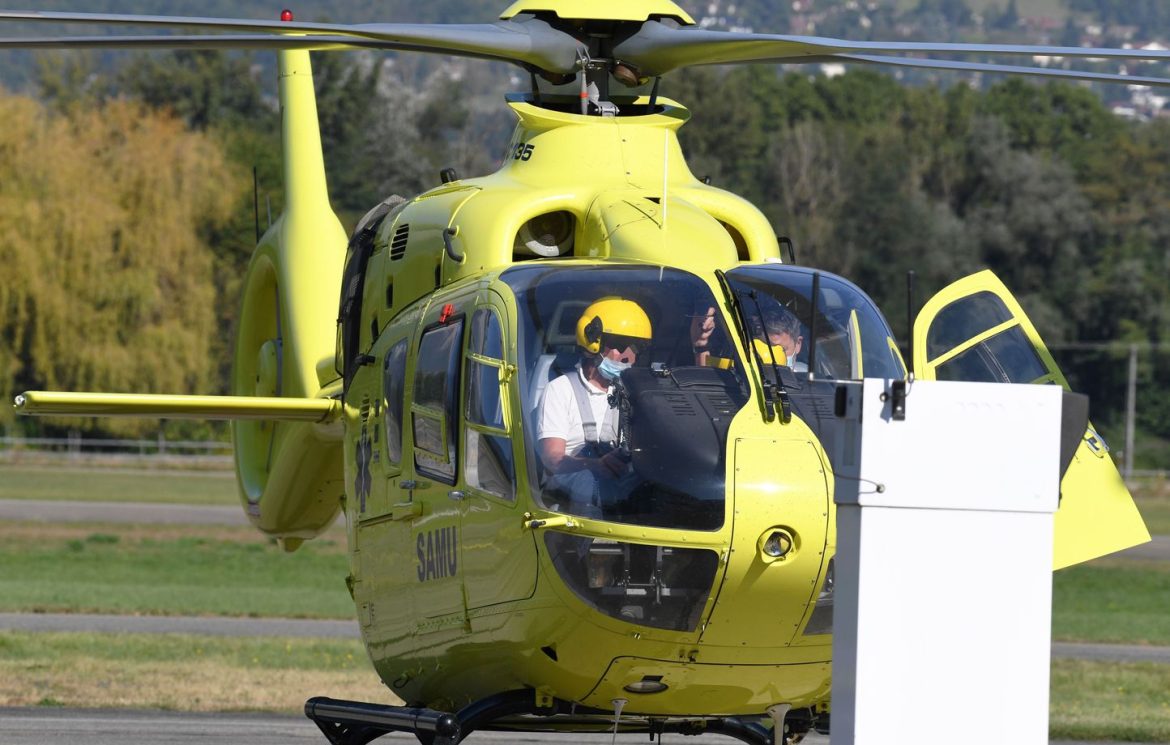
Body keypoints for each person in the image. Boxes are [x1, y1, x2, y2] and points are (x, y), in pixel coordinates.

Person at [537, 297, 651, 517]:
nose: (629, 356)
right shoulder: (560, 389)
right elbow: (552, 459)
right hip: (571, 484)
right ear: (593, 343)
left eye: (636, 347)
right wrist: (595, 465)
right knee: (588, 482)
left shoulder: (635, 394)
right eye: (621, 344)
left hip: (620, 478)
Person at [691, 303, 806, 371]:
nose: (770, 358)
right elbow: (706, 382)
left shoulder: (810, 384)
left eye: (781, 350)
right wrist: (701, 343)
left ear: (798, 344)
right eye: (764, 348)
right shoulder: (741, 375)